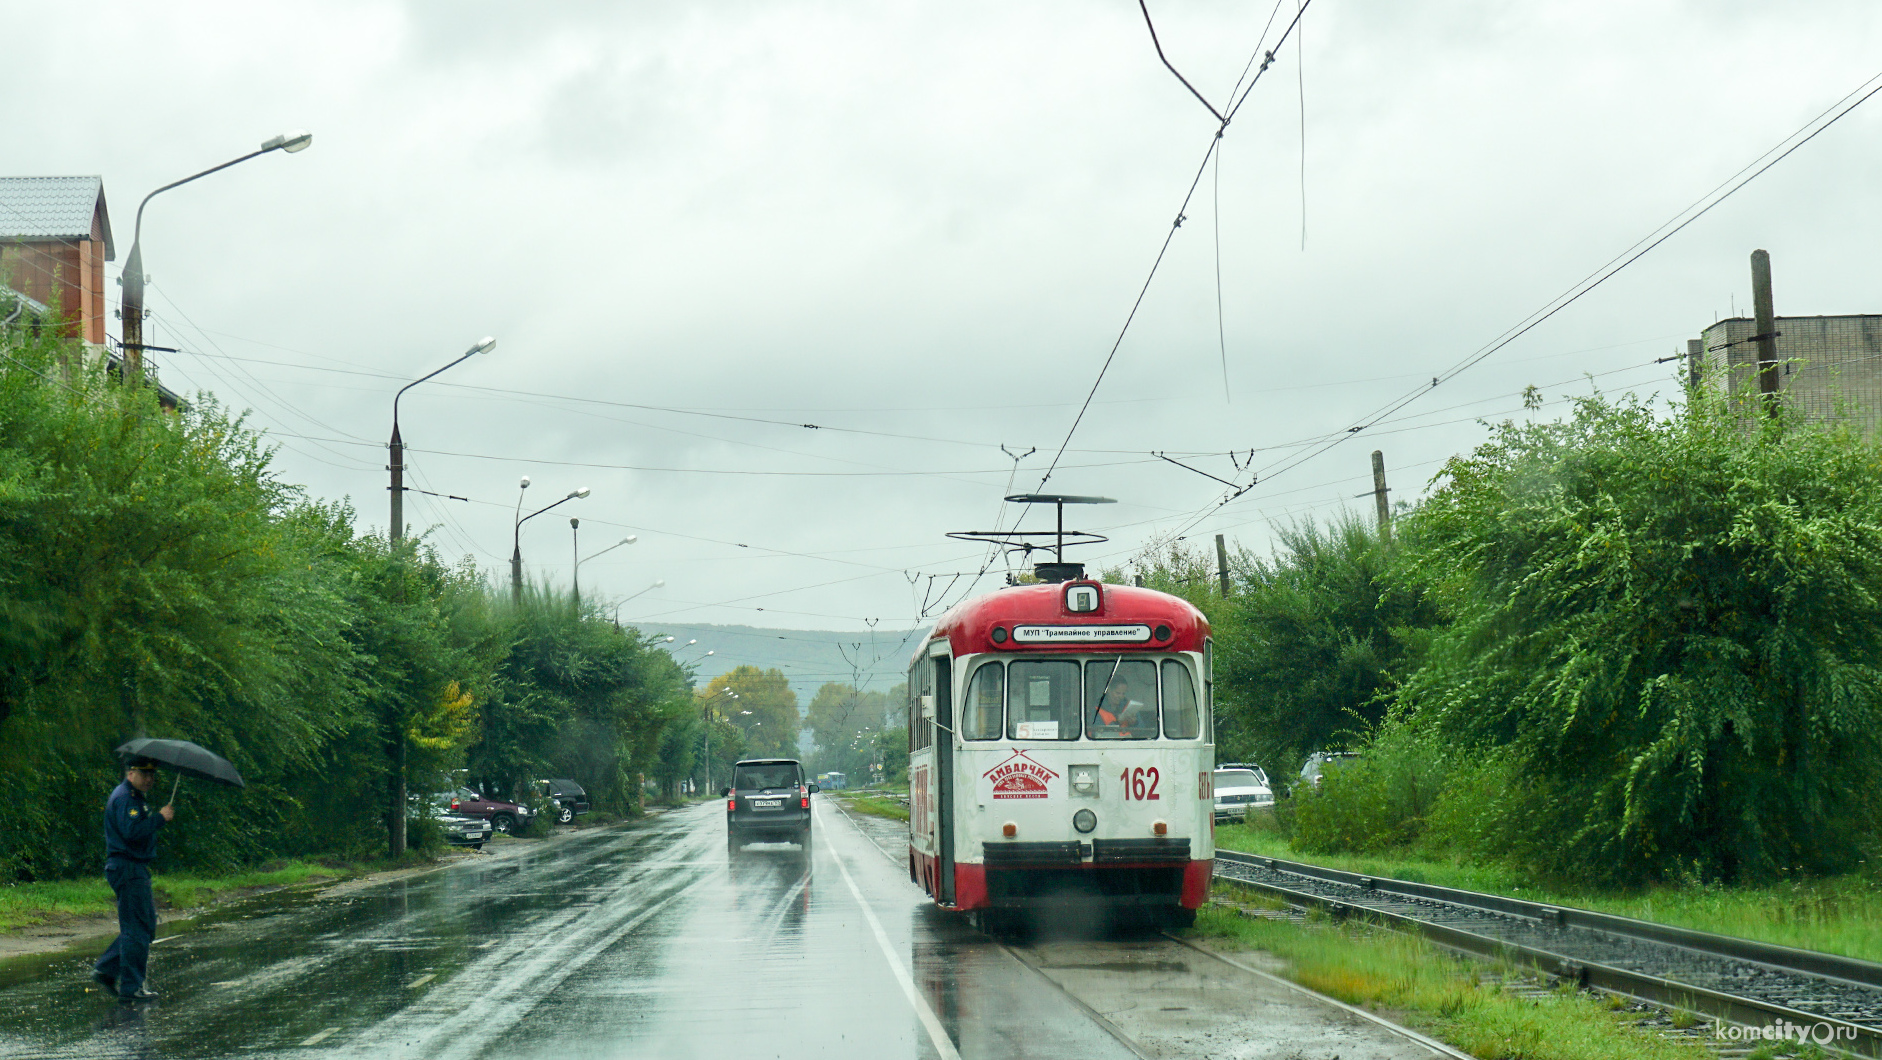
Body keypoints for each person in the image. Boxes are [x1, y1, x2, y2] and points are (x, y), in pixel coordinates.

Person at [92, 758, 174, 1001]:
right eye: (144, 773)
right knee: (137, 929)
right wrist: (159, 818)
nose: (149, 779)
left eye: (152, 775)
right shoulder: (126, 798)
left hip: (132, 868)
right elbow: (131, 832)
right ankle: (131, 988)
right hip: (127, 868)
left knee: (144, 926)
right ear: (130, 773)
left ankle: (107, 969)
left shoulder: (134, 797)